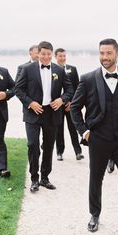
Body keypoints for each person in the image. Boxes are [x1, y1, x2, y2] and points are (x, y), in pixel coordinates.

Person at [71, 38, 118, 235]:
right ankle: (94, 214)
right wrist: (83, 131)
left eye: (109, 53)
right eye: (101, 53)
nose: (105, 57)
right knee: (96, 178)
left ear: (117, 54)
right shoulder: (88, 79)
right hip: (99, 139)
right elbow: (75, 108)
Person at [15, 41, 74, 192]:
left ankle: (45, 178)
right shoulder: (27, 69)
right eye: (43, 54)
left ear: (52, 54)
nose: (46, 57)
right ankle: (34, 178)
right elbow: (19, 90)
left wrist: (62, 99)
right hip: (33, 112)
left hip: (52, 113)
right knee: (32, 145)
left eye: (49, 54)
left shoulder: (59, 70)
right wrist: (30, 103)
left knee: (48, 146)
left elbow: (70, 89)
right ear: (38, 54)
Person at [54, 48, 84, 161]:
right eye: (60, 56)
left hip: (70, 104)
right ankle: (59, 152)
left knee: (73, 127)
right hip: (57, 104)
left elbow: (77, 88)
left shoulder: (73, 69)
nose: (62, 58)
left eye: (64, 56)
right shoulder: (53, 69)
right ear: (55, 57)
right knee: (59, 129)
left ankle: (78, 151)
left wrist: (72, 102)